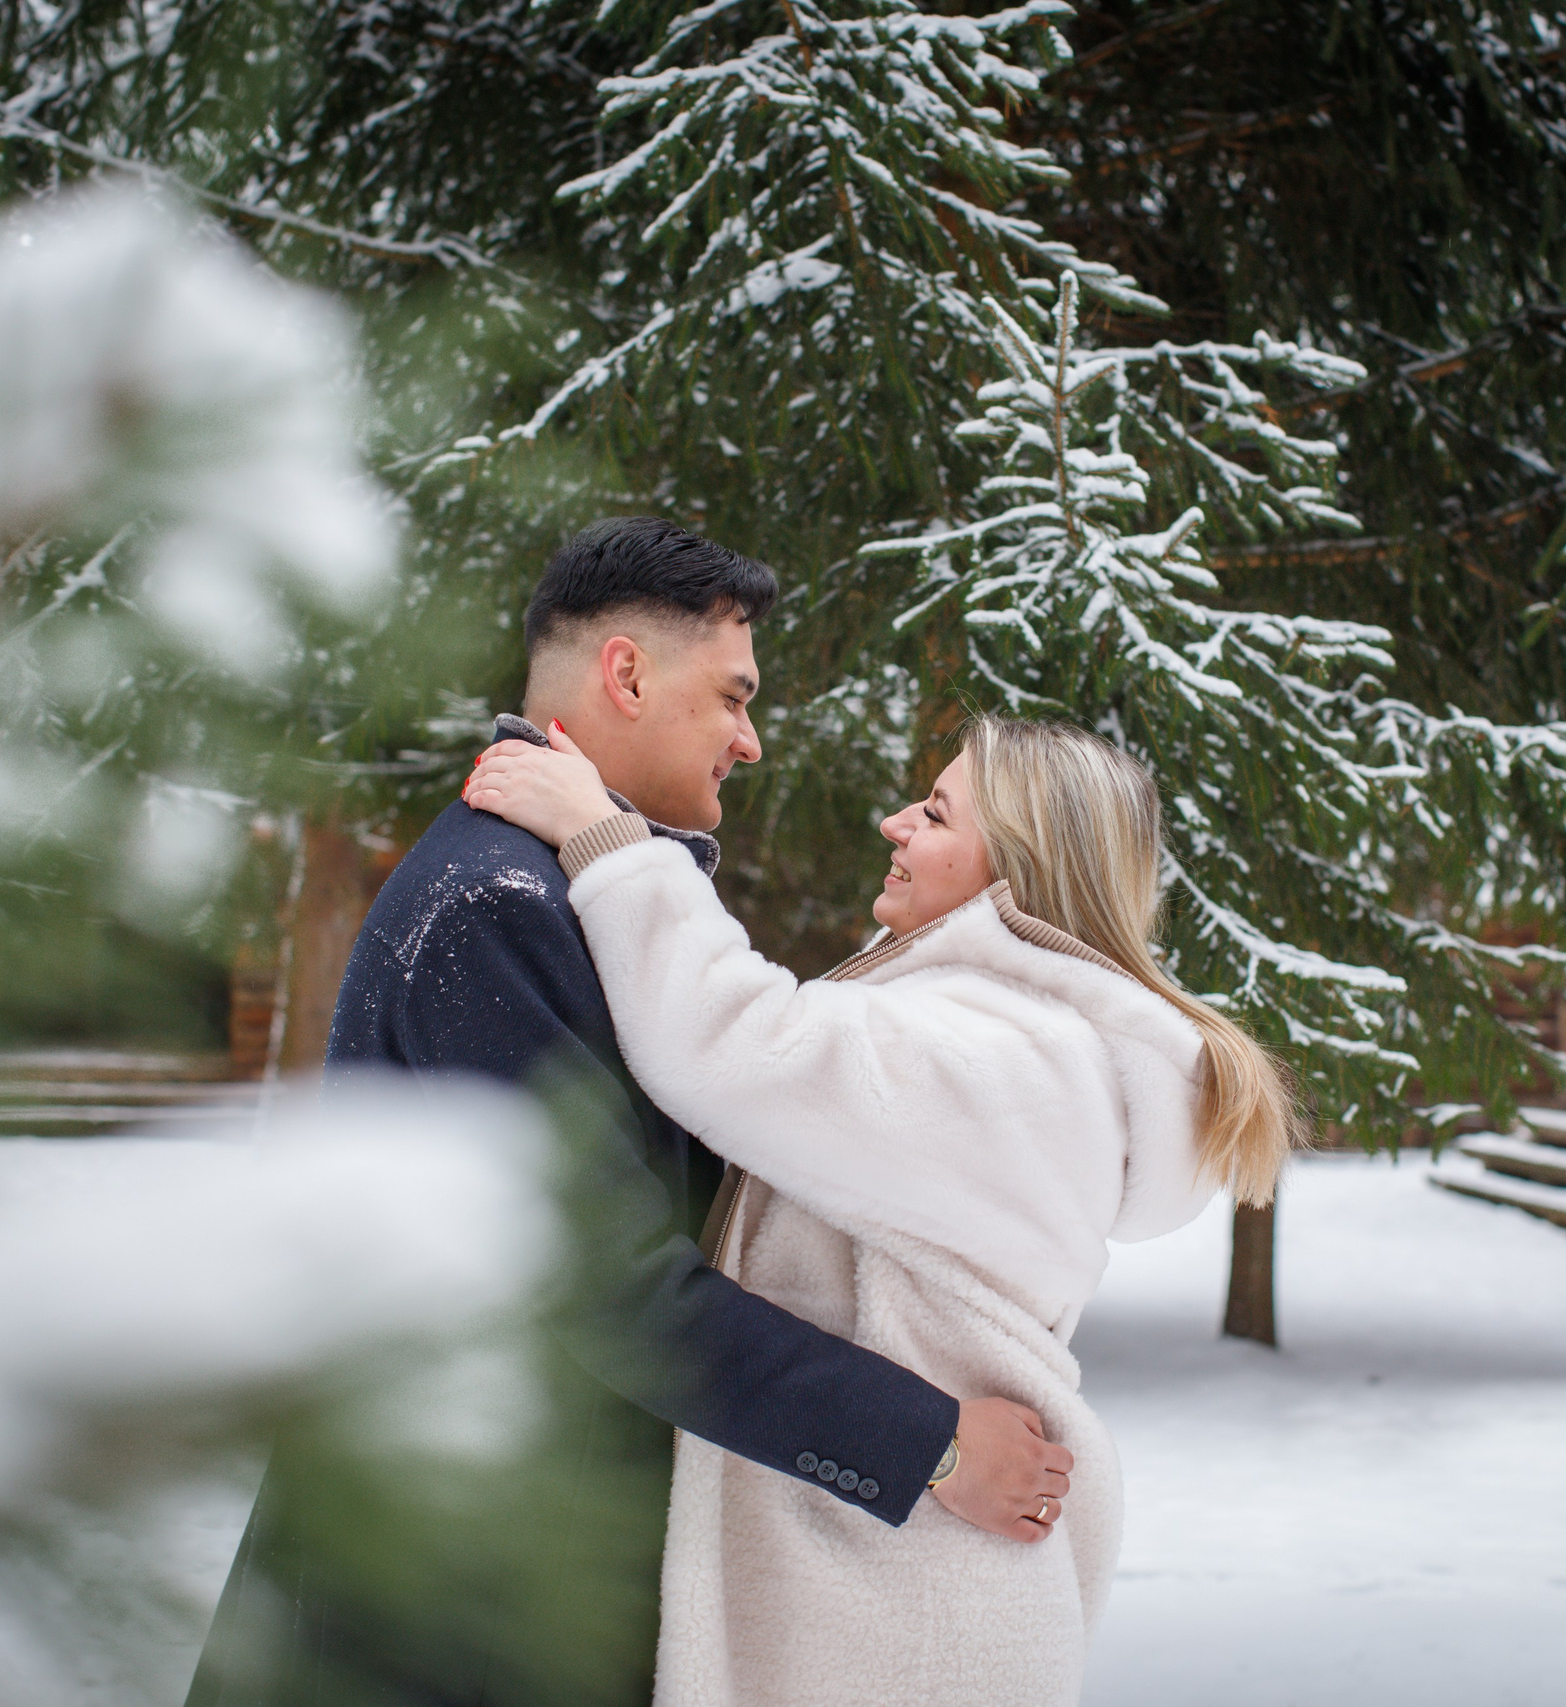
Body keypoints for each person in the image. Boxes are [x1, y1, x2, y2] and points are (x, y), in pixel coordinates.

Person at [186, 519, 1072, 1707]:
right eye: (733, 697)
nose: (751, 740)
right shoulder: (498, 906)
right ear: (626, 674)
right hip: (455, 1608)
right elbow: (608, 1292)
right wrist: (930, 1444)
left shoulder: (578, 888)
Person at [464, 710, 1300, 1706]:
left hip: (907, 1620)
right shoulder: (1003, 1037)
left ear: (1016, 870)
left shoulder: (1003, 1055)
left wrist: (605, 839)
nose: (895, 823)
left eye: (936, 814)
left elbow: (733, 1042)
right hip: (902, 1587)